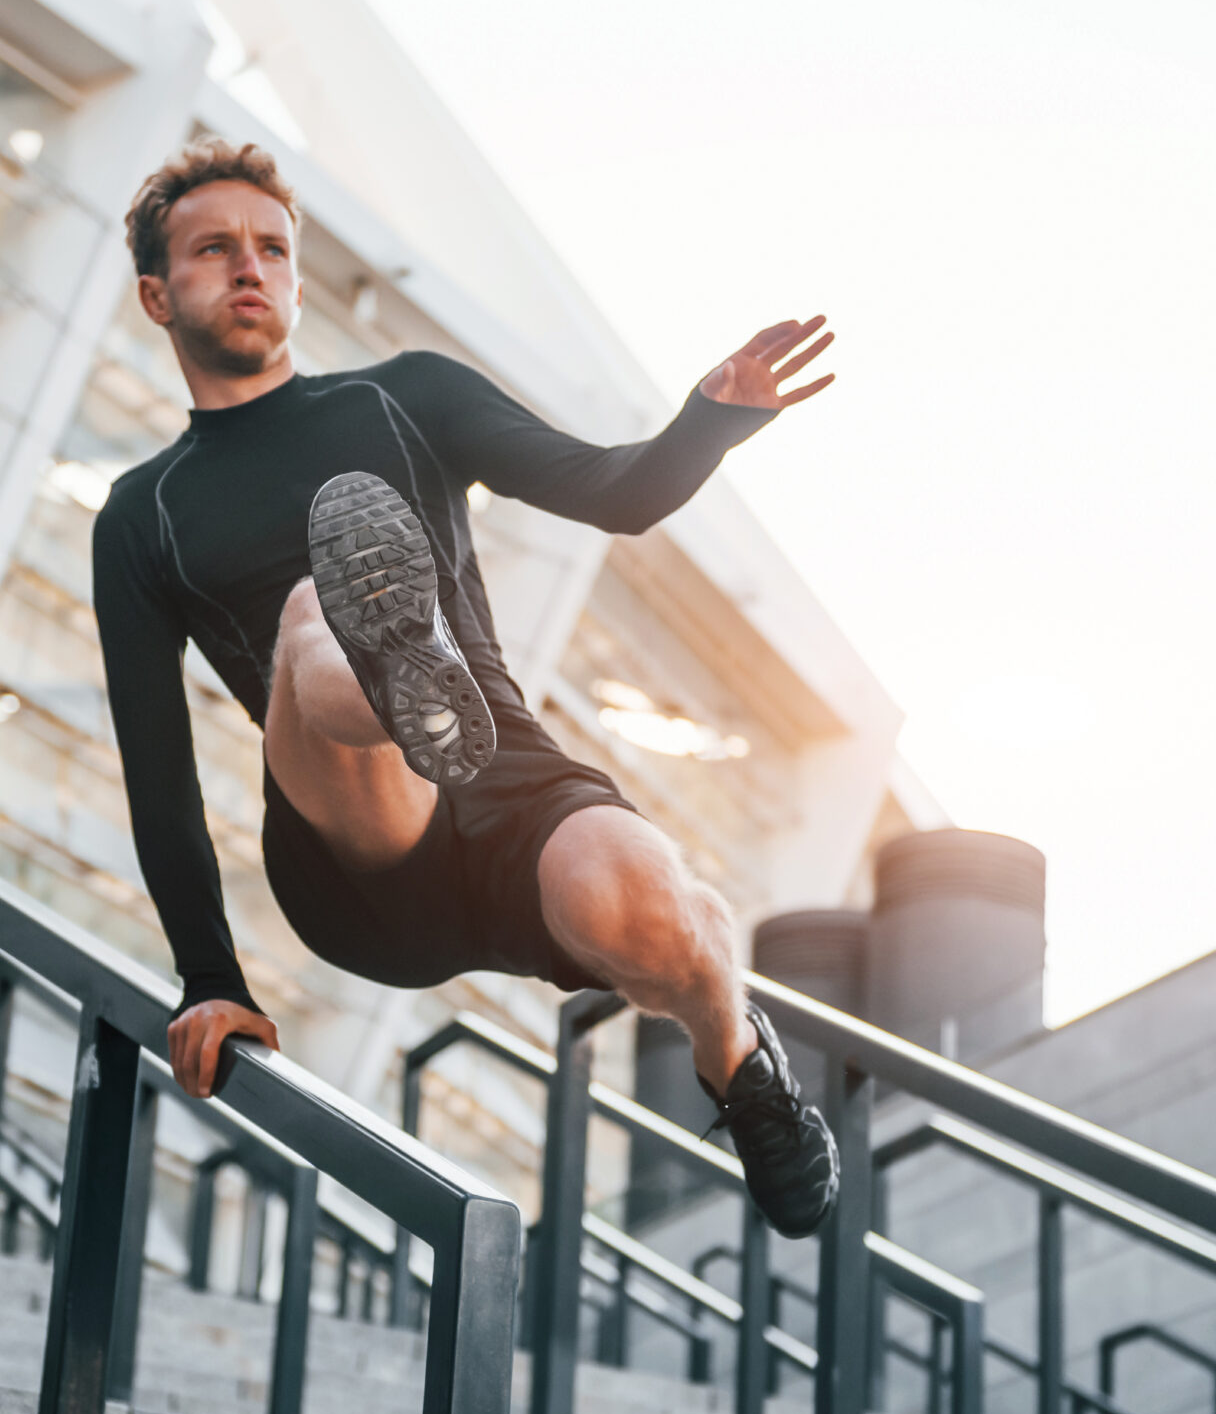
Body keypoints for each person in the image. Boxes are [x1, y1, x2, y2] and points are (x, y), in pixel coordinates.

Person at [93, 139, 842, 1237]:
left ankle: (738, 1055)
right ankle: (398, 680)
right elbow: (154, 764)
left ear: (296, 278)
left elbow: (616, 492)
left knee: (648, 905)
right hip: (355, 843)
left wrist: (710, 416)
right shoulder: (143, 511)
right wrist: (209, 974)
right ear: (159, 294)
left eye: (272, 249)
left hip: (509, 784)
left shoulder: (407, 397)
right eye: (215, 250)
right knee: (312, 612)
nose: (250, 268)